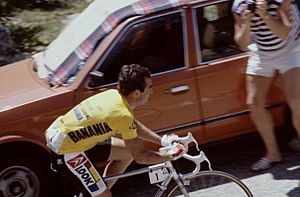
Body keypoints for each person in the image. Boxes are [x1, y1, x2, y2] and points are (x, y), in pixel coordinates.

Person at [45, 64, 180, 197]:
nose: (152, 91)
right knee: (104, 196)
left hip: (66, 135)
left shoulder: (114, 95)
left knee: (127, 153)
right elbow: (140, 156)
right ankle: (97, 193)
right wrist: (170, 155)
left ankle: (94, 192)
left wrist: (162, 140)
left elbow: (133, 126)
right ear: (137, 93)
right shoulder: (123, 115)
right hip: (66, 150)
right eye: (150, 87)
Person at [232, 0, 300, 171]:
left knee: (295, 99)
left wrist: (265, 15)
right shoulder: (239, 4)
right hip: (263, 51)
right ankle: (273, 153)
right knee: (254, 103)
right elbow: (242, 44)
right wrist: (246, 22)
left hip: (291, 47)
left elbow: (285, 32)